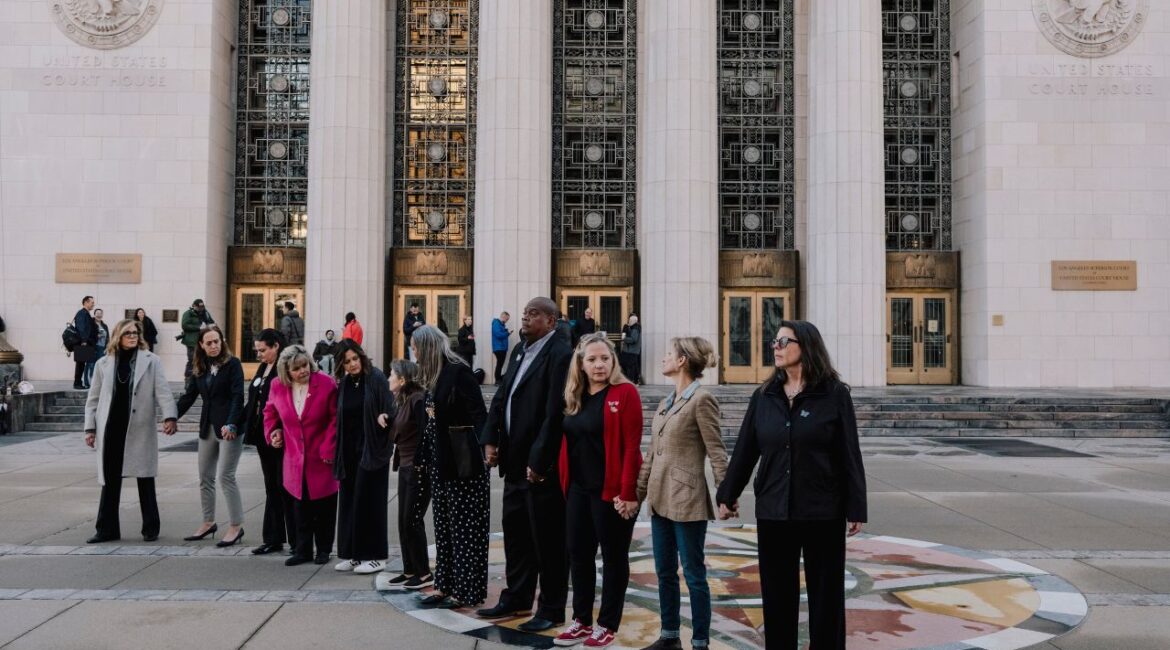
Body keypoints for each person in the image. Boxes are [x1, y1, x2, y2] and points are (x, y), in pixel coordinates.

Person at [716, 320, 867, 650]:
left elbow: (849, 454)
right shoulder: (764, 396)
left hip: (822, 511)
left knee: (826, 597)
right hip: (774, 510)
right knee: (777, 595)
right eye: (775, 341)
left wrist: (856, 506)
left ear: (806, 346)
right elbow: (745, 449)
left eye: (785, 341)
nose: (776, 347)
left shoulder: (834, 395)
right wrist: (728, 493)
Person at [477, 298, 572, 631]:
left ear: (550, 320)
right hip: (513, 462)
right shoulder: (520, 349)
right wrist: (490, 438)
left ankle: (551, 608)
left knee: (547, 540)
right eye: (525, 314)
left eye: (533, 314)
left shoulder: (560, 353)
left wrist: (539, 459)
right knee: (516, 534)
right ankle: (516, 597)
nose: (525, 318)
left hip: (539, 467)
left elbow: (554, 411)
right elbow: (502, 396)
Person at [552, 333, 643, 649]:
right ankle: (580, 620)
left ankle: (607, 624)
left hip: (612, 493)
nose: (599, 364)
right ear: (581, 363)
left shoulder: (625, 393)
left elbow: (632, 447)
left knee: (614, 558)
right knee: (578, 555)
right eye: (591, 359)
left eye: (604, 358)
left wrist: (628, 493)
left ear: (613, 360)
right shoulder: (575, 394)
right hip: (578, 489)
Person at [636, 337, 726, 650]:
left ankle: (700, 641)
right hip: (660, 498)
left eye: (668, 354)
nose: (663, 358)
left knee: (693, 573)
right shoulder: (666, 402)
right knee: (663, 571)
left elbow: (716, 450)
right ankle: (670, 636)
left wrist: (725, 493)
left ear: (683, 360)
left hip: (687, 499)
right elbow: (652, 454)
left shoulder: (702, 399)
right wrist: (637, 492)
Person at [412, 325, 489, 609]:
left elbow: (479, 413)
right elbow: (431, 422)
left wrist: (487, 449)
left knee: (465, 530)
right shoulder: (433, 377)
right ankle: (445, 584)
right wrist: (422, 456)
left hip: (463, 463)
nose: (414, 353)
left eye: (416, 347)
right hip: (439, 462)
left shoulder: (458, 371)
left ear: (428, 347)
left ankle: (468, 591)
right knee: (444, 527)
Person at [83, 319, 178, 543]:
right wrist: (90, 428)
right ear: (118, 336)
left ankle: (150, 528)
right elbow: (93, 398)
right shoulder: (103, 364)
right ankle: (106, 529)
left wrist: (170, 416)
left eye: (136, 333)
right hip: (111, 428)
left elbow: (163, 391)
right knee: (110, 480)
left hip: (139, 427)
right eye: (128, 333)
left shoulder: (151, 361)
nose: (133, 336)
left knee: (145, 478)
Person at [264, 345, 340, 566]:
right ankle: (302, 550)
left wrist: (329, 447)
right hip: (294, 458)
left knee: (324, 507)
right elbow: (270, 413)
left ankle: (324, 550)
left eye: (304, 365)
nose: (302, 371)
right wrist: (273, 433)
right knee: (300, 506)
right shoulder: (277, 386)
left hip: (322, 455)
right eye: (296, 369)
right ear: (286, 371)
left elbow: (336, 419)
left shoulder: (325, 384)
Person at [176, 325, 246, 547]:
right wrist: (171, 417)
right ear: (201, 345)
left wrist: (232, 423)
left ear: (222, 341)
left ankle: (236, 526)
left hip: (229, 428)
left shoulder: (232, 364)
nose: (214, 346)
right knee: (205, 477)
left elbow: (237, 396)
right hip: (207, 427)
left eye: (217, 341)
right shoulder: (200, 366)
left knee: (226, 476)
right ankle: (208, 522)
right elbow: (189, 397)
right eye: (209, 343)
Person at [332, 340, 395, 575]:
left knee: (370, 502)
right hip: (348, 452)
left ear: (361, 356)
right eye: (346, 361)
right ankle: (353, 554)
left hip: (373, 450)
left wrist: (384, 416)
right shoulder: (345, 383)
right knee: (350, 502)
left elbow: (392, 406)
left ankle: (376, 555)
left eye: (354, 359)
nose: (352, 364)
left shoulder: (376, 377)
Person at [241, 329, 296, 556]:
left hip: (282, 437)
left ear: (276, 347)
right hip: (263, 435)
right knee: (271, 486)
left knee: (287, 487)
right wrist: (236, 423)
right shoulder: (263, 368)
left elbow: (290, 405)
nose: (259, 354)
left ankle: (296, 540)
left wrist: (281, 430)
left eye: (263, 350)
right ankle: (273, 538)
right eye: (257, 350)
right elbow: (253, 401)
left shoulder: (286, 369)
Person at [384, 359, 432, 590]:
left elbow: (425, 432)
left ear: (403, 379)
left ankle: (423, 574)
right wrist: (387, 419)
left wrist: (422, 464)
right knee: (403, 521)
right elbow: (402, 429)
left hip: (416, 467)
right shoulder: (403, 401)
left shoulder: (418, 400)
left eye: (392, 374)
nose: (388, 378)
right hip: (405, 466)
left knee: (411, 520)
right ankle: (410, 569)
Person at [180, 299, 214, 378]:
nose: (201, 309)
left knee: (205, 359)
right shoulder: (188, 313)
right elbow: (184, 325)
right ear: (194, 306)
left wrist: (210, 326)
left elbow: (211, 322)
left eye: (202, 307)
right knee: (192, 360)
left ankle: (202, 379)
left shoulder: (206, 313)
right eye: (199, 307)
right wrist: (198, 327)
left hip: (204, 340)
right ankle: (189, 381)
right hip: (192, 341)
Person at [72, 296, 97, 390]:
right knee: (80, 363)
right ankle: (77, 383)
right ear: (86, 302)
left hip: (86, 342)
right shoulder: (82, 313)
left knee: (82, 363)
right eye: (92, 302)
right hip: (83, 342)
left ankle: (79, 382)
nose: (93, 304)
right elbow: (81, 328)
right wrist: (84, 340)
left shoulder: (86, 313)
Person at [83, 308, 110, 389]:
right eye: (97, 313)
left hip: (101, 348)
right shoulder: (90, 324)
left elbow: (108, 337)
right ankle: (88, 383)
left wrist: (108, 346)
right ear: (94, 315)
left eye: (100, 313)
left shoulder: (104, 325)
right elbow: (86, 335)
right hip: (92, 347)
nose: (99, 315)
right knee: (90, 365)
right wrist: (96, 336)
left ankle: (98, 383)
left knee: (100, 366)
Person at [620, 314, 642, 384]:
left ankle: (631, 381)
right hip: (629, 351)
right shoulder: (631, 327)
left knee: (630, 367)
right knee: (631, 366)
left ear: (635, 321)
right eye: (629, 320)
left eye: (630, 320)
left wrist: (624, 339)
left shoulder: (635, 328)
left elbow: (633, 339)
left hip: (632, 351)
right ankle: (634, 381)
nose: (629, 321)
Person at [490, 311, 511, 383]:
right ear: (503, 317)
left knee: (500, 363)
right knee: (499, 363)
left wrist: (505, 331)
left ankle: (498, 379)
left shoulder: (501, 324)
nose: (507, 321)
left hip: (502, 347)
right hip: (499, 347)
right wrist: (507, 333)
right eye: (507, 319)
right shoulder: (496, 323)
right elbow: (498, 334)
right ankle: (497, 379)